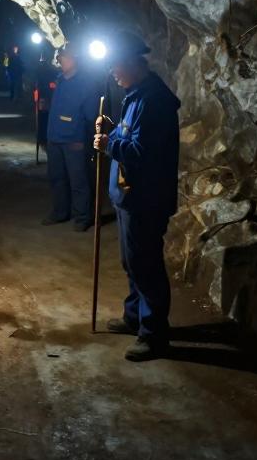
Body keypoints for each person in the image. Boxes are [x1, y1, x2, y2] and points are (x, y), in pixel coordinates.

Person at [94, 31, 180, 362]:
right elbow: (128, 135)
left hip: (146, 199)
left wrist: (108, 144)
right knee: (131, 262)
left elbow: (142, 152)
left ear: (132, 63)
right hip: (129, 196)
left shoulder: (154, 101)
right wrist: (113, 130)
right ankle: (134, 317)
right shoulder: (136, 96)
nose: (113, 72)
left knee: (146, 264)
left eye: (116, 65)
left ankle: (154, 334)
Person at [41, 43, 98, 231]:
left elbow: (91, 115)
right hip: (55, 137)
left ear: (74, 58)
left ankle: (82, 217)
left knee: (78, 180)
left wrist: (83, 138)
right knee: (57, 177)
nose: (59, 59)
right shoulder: (60, 80)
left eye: (63, 56)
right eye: (59, 56)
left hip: (74, 140)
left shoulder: (86, 84)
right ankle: (60, 212)